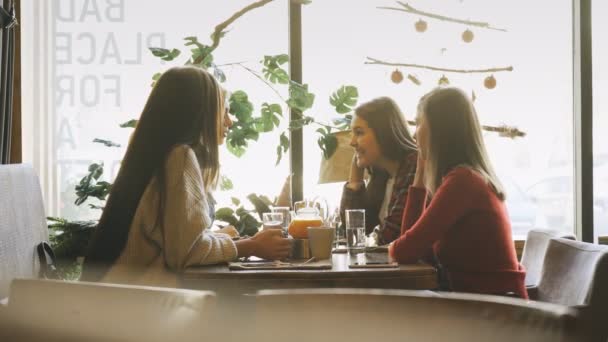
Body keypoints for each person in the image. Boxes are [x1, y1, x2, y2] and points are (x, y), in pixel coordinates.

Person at [81, 67, 291, 286]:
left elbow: (176, 243)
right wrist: (252, 245)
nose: (229, 121)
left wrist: (223, 239)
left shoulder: (153, 153)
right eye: (224, 111)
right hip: (137, 305)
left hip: (112, 296)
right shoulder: (180, 156)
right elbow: (186, 254)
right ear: (201, 112)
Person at [389, 87, 527, 298]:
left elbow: (404, 251)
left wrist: (399, 248)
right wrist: (420, 174)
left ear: (439, 129)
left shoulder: (463, 181)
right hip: (483, 305)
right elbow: (415, 251)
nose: (414, 134)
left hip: (498, 315)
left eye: (418, 122)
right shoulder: (460, 178)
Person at [340, 97, 418, 245]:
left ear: (384, 132)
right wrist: (355, 178)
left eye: (359, 132)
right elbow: (354, 235)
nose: (352, 142)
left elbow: (390, 238)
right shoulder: (382, 176)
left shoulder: (414, 167)